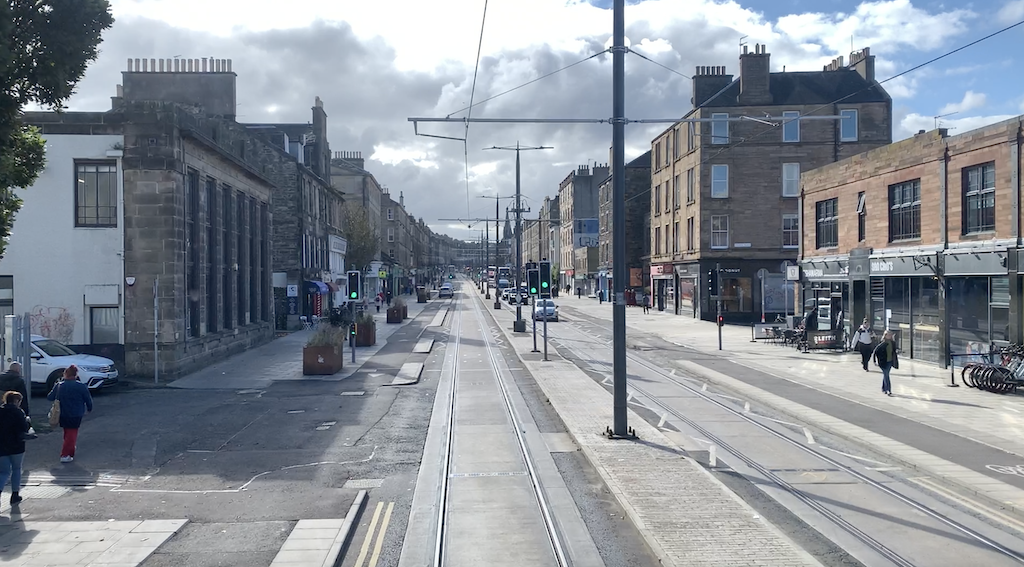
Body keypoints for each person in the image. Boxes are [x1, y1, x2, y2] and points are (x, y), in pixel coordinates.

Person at [46, 365, 93, 463]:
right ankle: (65, 454)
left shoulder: (59, 385)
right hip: (76, 413)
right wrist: (89, 408)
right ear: (76, 375)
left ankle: (70, 451)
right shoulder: (81, 386)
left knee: (67, 432)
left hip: (62, 413)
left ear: (65, 374)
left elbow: (50, 397)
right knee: (72, 433)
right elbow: (88, 399)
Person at [0, 391, 29, 506]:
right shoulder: (18, 412)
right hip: (17, 446)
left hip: (1, 446)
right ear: (16, 401)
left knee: (3, 472)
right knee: (17, 469)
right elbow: (24, 428)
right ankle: (15, 494)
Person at [873, 330, 899, 396]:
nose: (889, 336)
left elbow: (893, 352)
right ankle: (888, 390)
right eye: (888, 335)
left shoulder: (893, 343)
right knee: (886, 375)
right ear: (885, 335)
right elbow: (876, 351)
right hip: (883, 362)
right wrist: (875, 361)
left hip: (889, 361)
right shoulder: (883, 343)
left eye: (890, 335)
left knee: (886, 375)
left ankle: (884, 388)